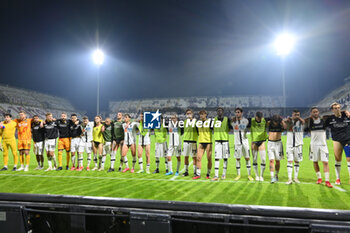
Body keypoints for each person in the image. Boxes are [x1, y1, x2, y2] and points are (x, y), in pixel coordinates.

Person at [304, 107, 332, 188]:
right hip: (313, 145)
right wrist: (309, 118)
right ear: (311, 113)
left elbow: (330, 116)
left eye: (316, 112)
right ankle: (319, 178)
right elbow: (305, 128)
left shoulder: (323, 121)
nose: (315, 113)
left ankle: (327, 181)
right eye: (314, 112)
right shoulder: (309, 122)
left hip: (323, 145)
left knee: (325, 162)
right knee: (315, 161)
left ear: (319, 112)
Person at [324, 102, 350, 185]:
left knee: (349, 160)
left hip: (347, 140)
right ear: (332, 110)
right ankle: (338, 178)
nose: (337, 109)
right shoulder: (330, 119)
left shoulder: (346, 115)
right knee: (338, 160)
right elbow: (323, 127)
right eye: (335, 108)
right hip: (337, 140)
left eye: (338, 107)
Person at [232, 108, 253, 181]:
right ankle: (238, 175)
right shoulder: (233, 121)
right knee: (237, 158)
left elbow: (241, 128)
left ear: (241, 113)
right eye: (236, 112)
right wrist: (235, 122)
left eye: (238, 112)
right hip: (237, 143)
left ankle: (249, 175)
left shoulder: (245, 120)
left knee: (247, 158)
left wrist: (236, 122)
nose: (237, 114)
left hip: (245, 142)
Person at [284, 109, 305, 184]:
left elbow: (303, 122)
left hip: (298, 145)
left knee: (297, 161)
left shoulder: (301, 122)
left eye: (298, 115)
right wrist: (287, 120)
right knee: (289, 161)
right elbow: (284, 126)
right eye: (295, 115)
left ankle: (295, 178)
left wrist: (298, 118)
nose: (296, 116)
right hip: (289, 145)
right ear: (292, 115)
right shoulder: (289, 122)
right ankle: (289, 179)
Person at [212, 107, 232, 181]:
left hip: (225, 141)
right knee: (217, 157)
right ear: (217, 112)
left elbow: (230, 128)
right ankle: (216, 175)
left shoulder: (227, 119)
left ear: (223, 112)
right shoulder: (214, 120)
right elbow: (212, 128)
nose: (219, 112)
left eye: (221, 111)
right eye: (218, 111)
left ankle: (224, 174)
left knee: (225, 158)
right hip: (217, 141)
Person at [248, 112, 268, 181]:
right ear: (255, 117)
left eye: (260, 118)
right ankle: (256, 175)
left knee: (263, 159)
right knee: (254, 159)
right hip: (254, 142)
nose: (259, 119)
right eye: (258, 118)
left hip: (262, 141)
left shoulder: (264, 120)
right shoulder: (251, 121)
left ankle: (261, 176)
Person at [193, 110, 212, 180]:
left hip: (208, 142)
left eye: (203, 114)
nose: (201, 116)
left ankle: (208, 174)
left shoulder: (210, 122)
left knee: (209, 159)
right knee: (198, 158)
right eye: (200, 114)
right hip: (201, 142)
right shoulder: (198, 122)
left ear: (206, 114)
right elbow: (197, 131)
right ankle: (198, 174)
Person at [267, 115, 284, 183]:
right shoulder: (270, 123)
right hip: (270, 143)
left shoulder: (281, 124)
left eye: (277, 121)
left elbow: (285, 126)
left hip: (278, 143)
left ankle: (276, 175)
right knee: (271, 160)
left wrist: (282, 121)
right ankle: (272, 177)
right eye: (274, 121)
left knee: (277, 161)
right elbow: (266, 123)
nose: (275, 123)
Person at [181, 109, 198, 177]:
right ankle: (186, 171)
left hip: (193, 141)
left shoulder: (196, 121)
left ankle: (195, 172)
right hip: (185, 141)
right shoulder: (184, 122)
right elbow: (182, 131)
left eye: (190, 113)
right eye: (187, 113)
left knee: (194, 157)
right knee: (186, 157)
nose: (189, 114)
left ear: (192, 113)